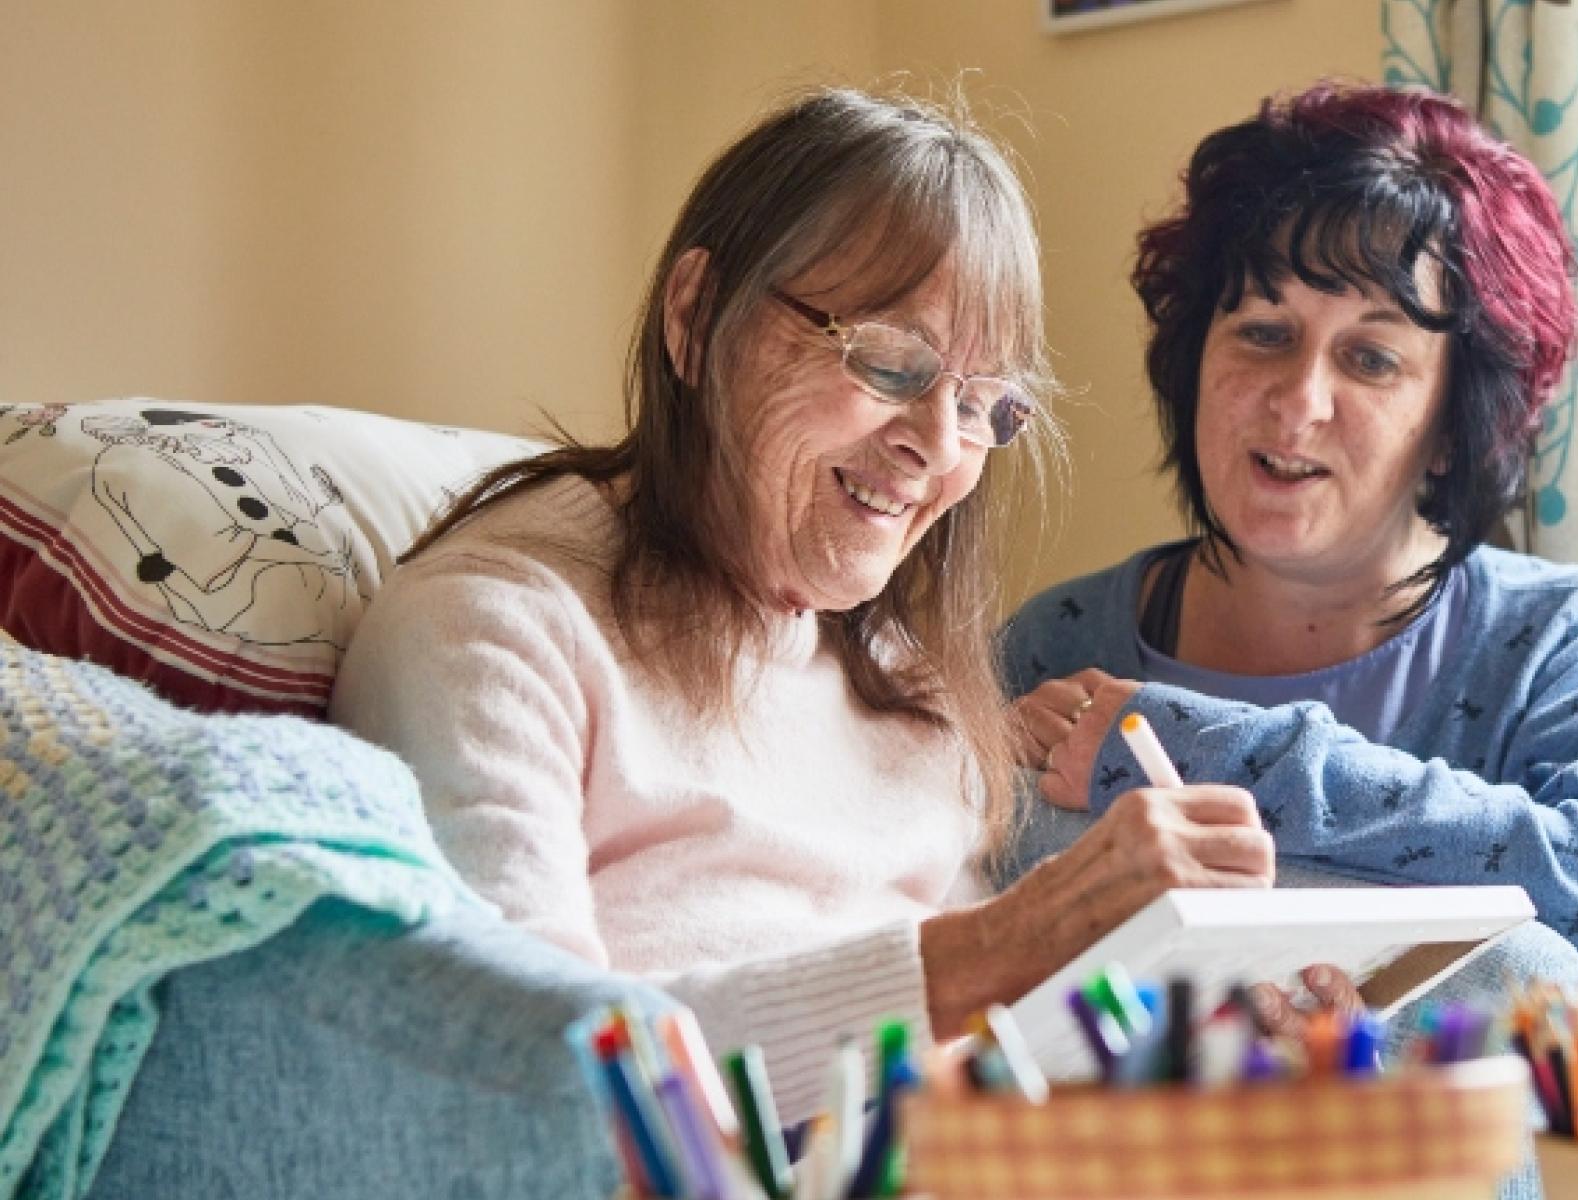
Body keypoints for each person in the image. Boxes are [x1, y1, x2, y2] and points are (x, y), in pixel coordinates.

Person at [329, 89, 1279, 1117]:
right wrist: (992, 951)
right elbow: (526, 1088)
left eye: (978, 402)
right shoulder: (492, 635)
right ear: (695, 320)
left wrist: (1184, 1020)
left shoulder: (897, 674)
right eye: (886, 361)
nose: (941, 447)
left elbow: (980, 1059)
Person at [1002, 83, 1578, 1025]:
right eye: (1263, 333)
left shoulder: (1572, 643)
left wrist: (1209, 753)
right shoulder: (1052, 644)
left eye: (1371, 358)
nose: (1298, 402)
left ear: (1453, 425)